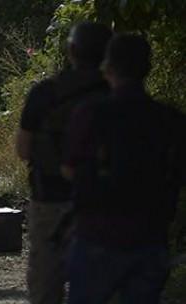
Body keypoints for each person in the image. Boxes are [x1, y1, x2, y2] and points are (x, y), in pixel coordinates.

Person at [64, 34, 186, 304]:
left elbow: (70, 168)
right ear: (148, 69)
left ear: (107, 67)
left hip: (97, 235)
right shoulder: (171, 120)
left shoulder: (92, 113)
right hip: (150, 238)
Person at [15, 22, 112, 304]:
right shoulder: (117, 94)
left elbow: (23, 150)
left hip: (50, 199)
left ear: (71, 51)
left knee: (47, 283)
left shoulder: (45, 93)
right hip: (108, 204)